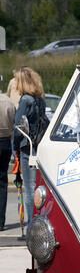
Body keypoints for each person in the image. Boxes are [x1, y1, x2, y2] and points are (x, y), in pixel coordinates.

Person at [13, 67, 46, 227]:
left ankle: (31, 225)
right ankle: (38, 221)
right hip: (38, 145)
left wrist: (15, 147)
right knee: (37, 186)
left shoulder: (25, 100)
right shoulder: (40, 99)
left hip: (27, 147)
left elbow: (18, 127)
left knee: (29, 188)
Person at [0, 82, 16, 230]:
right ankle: (1, 221)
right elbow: (13, 123)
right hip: (5, 142)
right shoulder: (8, 102)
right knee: (3, 181)